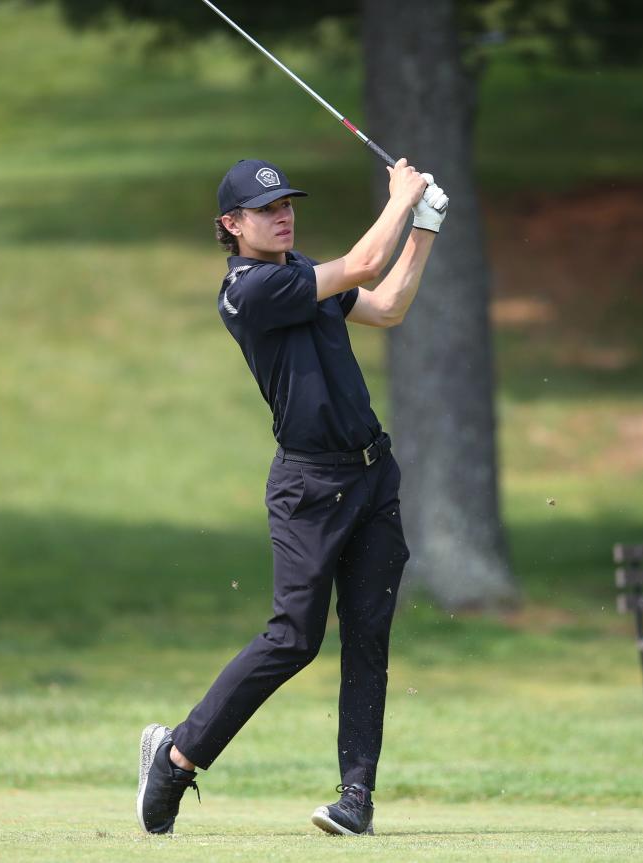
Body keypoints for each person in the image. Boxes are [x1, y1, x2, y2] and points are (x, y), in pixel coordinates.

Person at [136, 156, 448, 837]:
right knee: (293, 638)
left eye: (287, 204)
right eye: (266, 208)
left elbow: (387, 304)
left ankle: (355, 798)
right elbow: (365, 263)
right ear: (231, 224)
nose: (283, 215)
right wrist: (400, 197)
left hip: (372, 476)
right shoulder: (251, 291)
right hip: (309, 488)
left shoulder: (298, 274)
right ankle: (176, 758)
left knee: (367, 638)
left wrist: (425, 222)